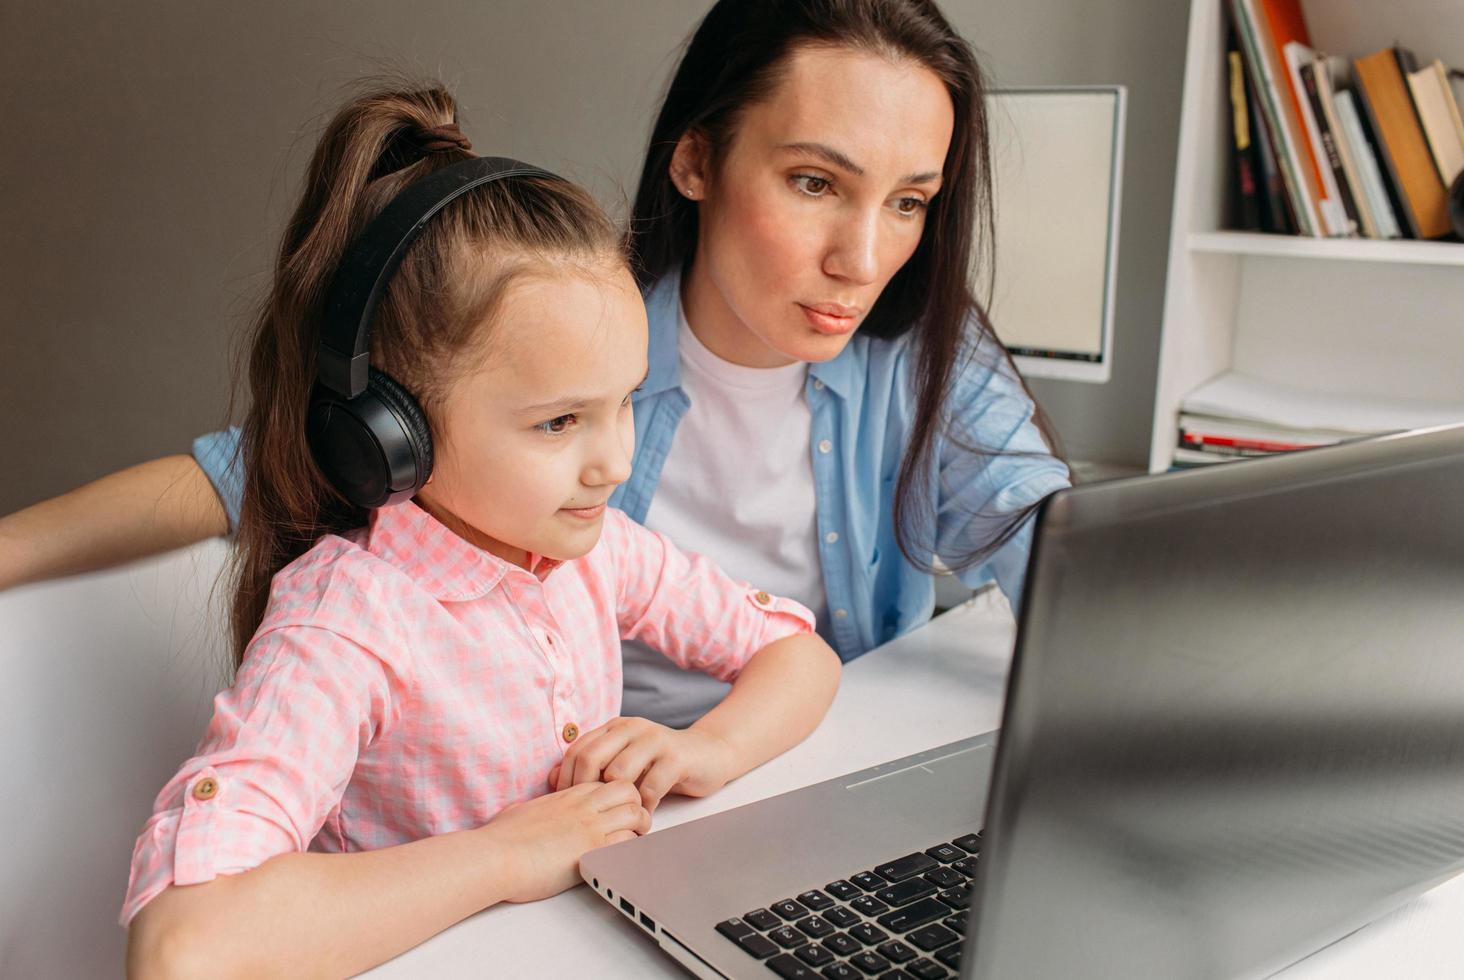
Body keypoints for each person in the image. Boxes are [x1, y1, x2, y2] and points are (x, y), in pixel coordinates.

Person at [0, 0, 1070, 728]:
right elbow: (242, 468)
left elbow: (1064, 561)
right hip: (579, 800)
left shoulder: (930, 355)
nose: (866, 256)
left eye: (911, 202)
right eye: (814, 183)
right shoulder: (570, 326)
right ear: (696, 158)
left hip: (796, 770)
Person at [122, 85, 840, 978]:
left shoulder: (591, 548)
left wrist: (703, 750)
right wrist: (500, 856)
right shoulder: (350, 618)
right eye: (557, 423)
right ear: (393, 431)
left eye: (625, 403)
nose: (613, 462)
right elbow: (183, 947)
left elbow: (800, 657)